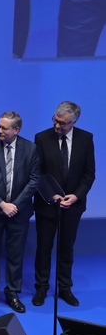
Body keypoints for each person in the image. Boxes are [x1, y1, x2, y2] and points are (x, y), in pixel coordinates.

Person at [0, 112, 39, 313]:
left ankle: (12, 292)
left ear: (16, 130)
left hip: (19, 213)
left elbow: (34, 180)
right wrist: (2, 204)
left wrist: (15, 205)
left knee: (15, 255)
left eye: (4, 128)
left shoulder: (31, 149)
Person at [33, 101, 95, 307]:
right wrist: (53, 196)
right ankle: (41, 288)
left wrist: (75, 196)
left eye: (62, 123)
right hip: (47, 205)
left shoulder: (86, 139)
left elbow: (89, 174)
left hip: (73, 206)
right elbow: (37, 172)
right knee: (44, 248)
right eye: (55, 121)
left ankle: (65, 287)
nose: (57, 126)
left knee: (66, 248)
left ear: (74, 122)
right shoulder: (42, 138)